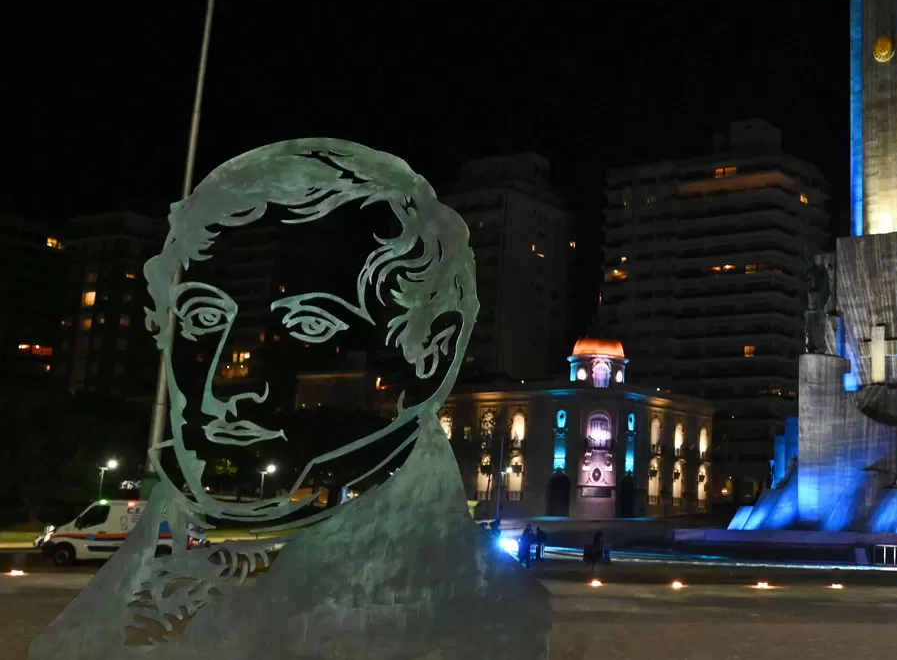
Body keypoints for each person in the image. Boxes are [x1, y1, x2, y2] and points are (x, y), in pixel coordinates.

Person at [29, 139, 550, 660]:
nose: (228, 382)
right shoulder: (148, 562)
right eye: (203, 319)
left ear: (433, 350)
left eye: (310, 324)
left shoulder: (475, 612)